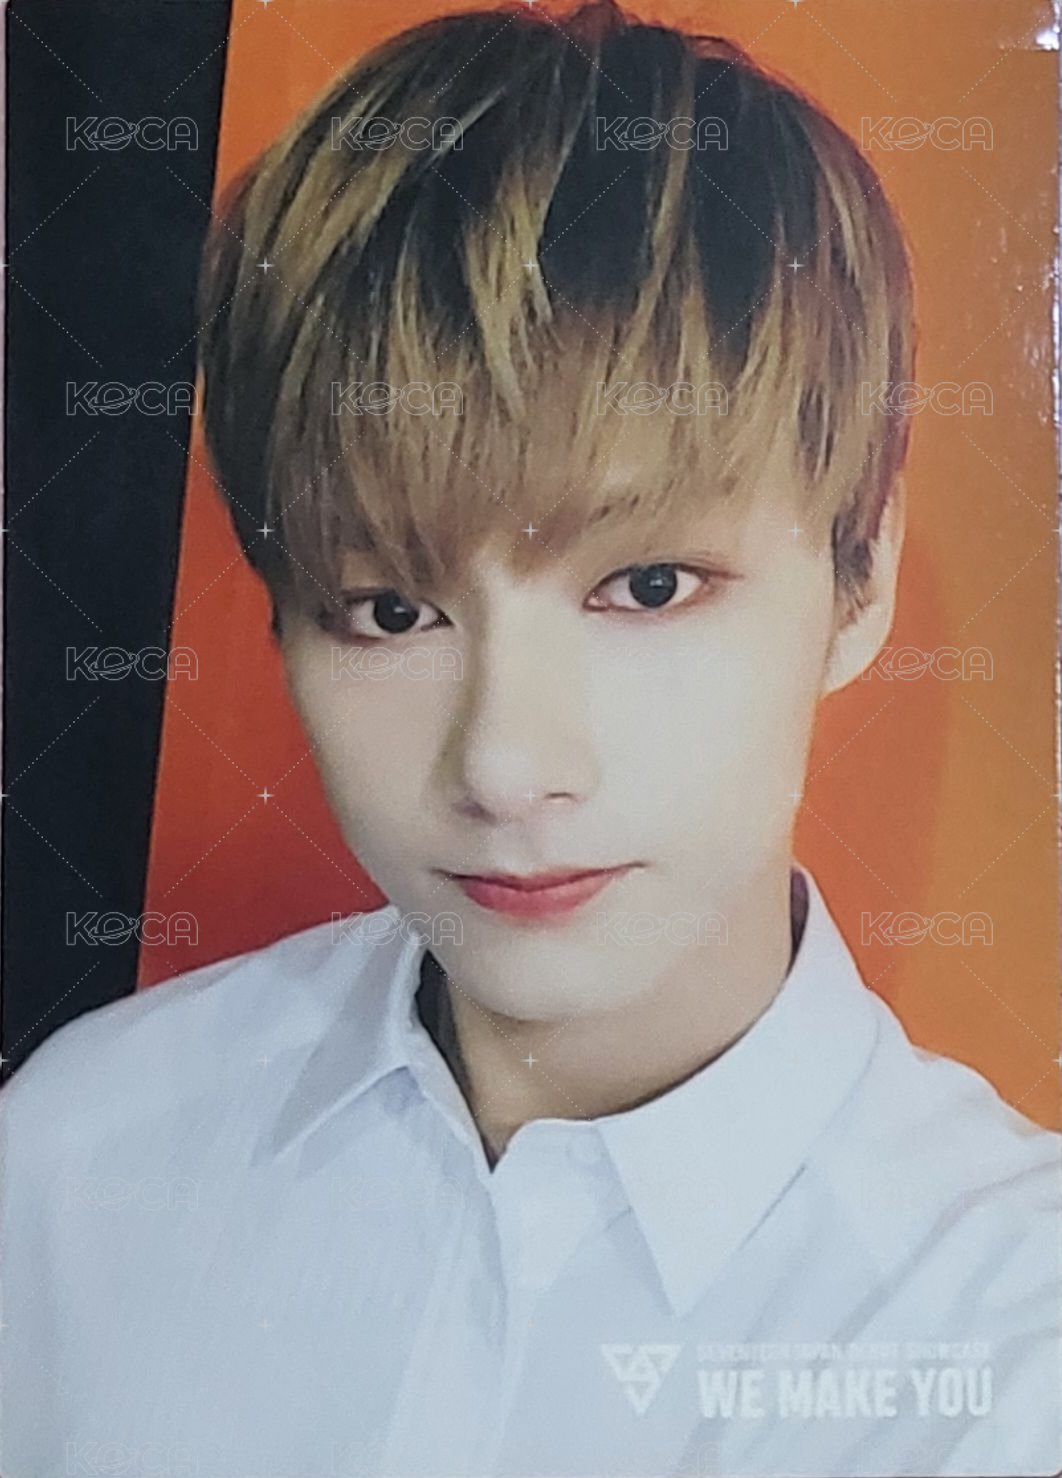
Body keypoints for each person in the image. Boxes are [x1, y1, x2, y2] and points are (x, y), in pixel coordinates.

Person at [2, 4, 1058, 1475]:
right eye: (388, 609)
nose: (502, 765)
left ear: (858, 576)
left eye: (648, 586)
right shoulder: (74, 1161)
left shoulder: (1010, 1344)